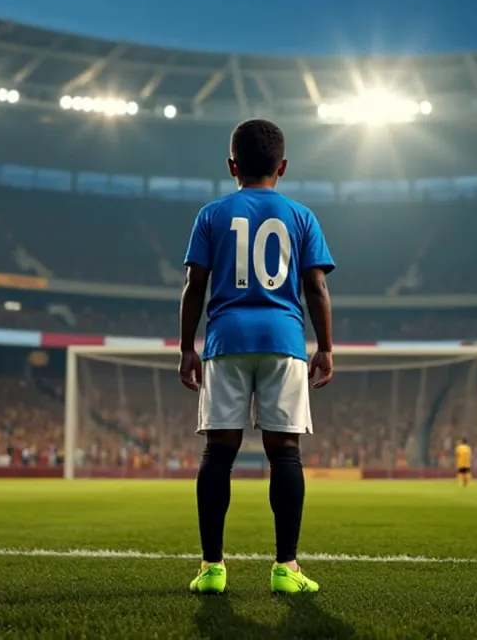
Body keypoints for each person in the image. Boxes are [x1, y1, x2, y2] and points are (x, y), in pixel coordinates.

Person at [179, 118, 335, 595]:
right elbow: (317, 287)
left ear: (232, 165)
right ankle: (286, 568)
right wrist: (325, 346)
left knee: (218, 452)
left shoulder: (211, 214)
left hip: (225, 339)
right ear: (282, 167)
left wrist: (188, 347)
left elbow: (194, 287)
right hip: (284, 340)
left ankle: (212, 569)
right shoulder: (301, 216)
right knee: (285, 453)